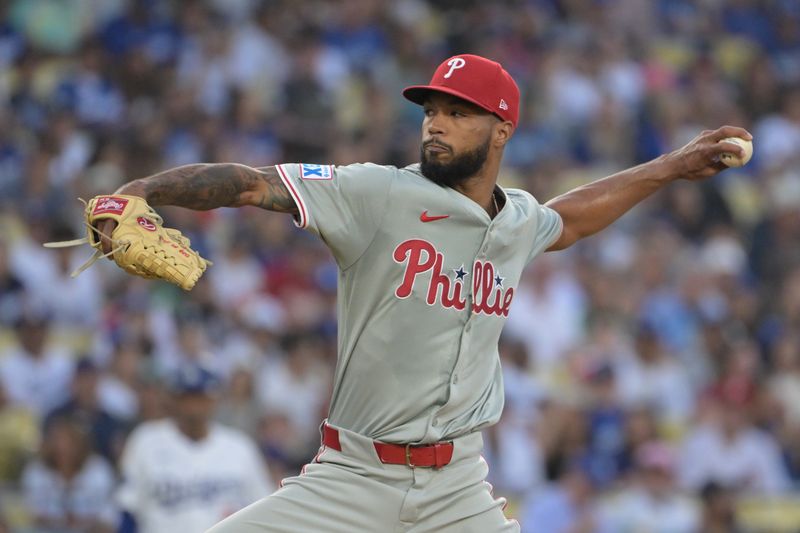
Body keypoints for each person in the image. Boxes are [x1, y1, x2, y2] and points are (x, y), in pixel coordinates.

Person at [96, 54, 751, 532]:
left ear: (502, 129)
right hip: (351, 478)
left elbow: (571, 217)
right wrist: (141, 190)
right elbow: (248, 182)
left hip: (457, 487)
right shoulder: (376, 193)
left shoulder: (517, 219)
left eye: (456, 113)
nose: (434, 124)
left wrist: (670, 166)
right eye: (431, 110)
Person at [115, 364, 272, 533]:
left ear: (214, 400)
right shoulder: (145, 440)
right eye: (186, 398)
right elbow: (128, 508)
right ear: (173, 400)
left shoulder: (240, 446)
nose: (194, 407)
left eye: (200, 398)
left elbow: (265, 509)